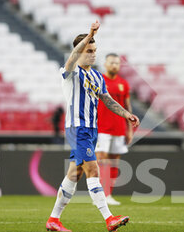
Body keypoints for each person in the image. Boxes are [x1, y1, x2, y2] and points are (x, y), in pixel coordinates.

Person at [46, 20, 140, 232]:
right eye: (89, 50)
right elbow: (71, 59)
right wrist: (89, 34)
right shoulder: (70, 72)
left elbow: (106, 100)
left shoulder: (97, 76)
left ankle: (54, 220)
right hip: (77, 128)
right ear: (80, 51)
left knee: (74, 174)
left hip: (91, 129)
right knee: (93, 168)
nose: (93, 54)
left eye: (95, 50)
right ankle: (108, 218)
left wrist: (126, 114)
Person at [96, 53, 132, 205]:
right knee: (101, 161)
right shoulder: (99, 81)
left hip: (119, 128)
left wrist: (129, 129)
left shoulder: (123, 83)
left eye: (117, 63)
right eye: (111, 62)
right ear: (105, 64)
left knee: (114, 162)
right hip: (102, 127)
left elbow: (127, 106)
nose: (114, 65)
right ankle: (100, 195)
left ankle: (108, 195)